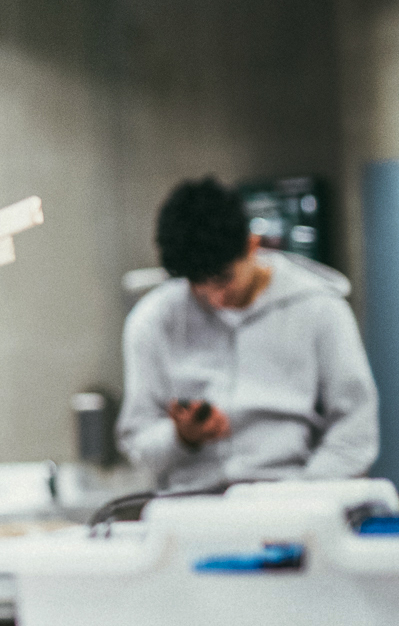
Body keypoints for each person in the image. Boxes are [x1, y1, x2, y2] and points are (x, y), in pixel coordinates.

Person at [118, 177, 380, 491]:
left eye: (224, 278)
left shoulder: (320, 309)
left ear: (253, 245)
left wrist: (304, 495)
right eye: (197, 285)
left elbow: (355, 432)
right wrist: (181, 437)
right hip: (189, 508)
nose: (214, 297)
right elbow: (137, 444)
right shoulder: (153, 320)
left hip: (293, 498)